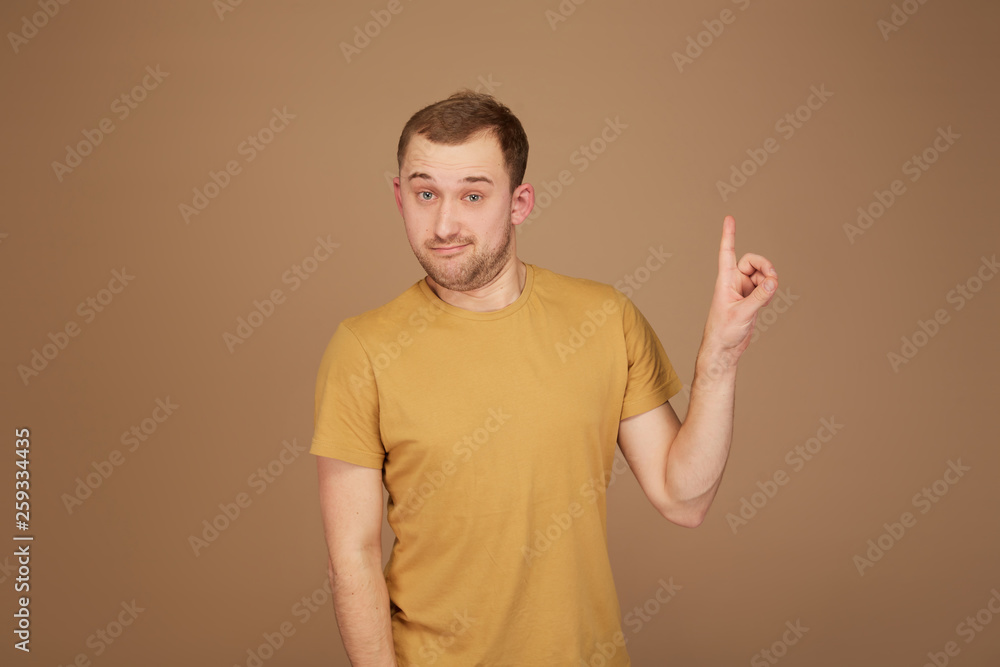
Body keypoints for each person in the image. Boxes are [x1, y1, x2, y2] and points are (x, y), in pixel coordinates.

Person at [310, 90, 779, 666]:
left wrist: (720, 358)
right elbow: (351, 558)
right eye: (425, 193)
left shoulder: (604, 319)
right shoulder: (362, 349)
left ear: (519, 202)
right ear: (399, 196)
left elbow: (684, 497)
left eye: (473, 195)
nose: (444, 223)